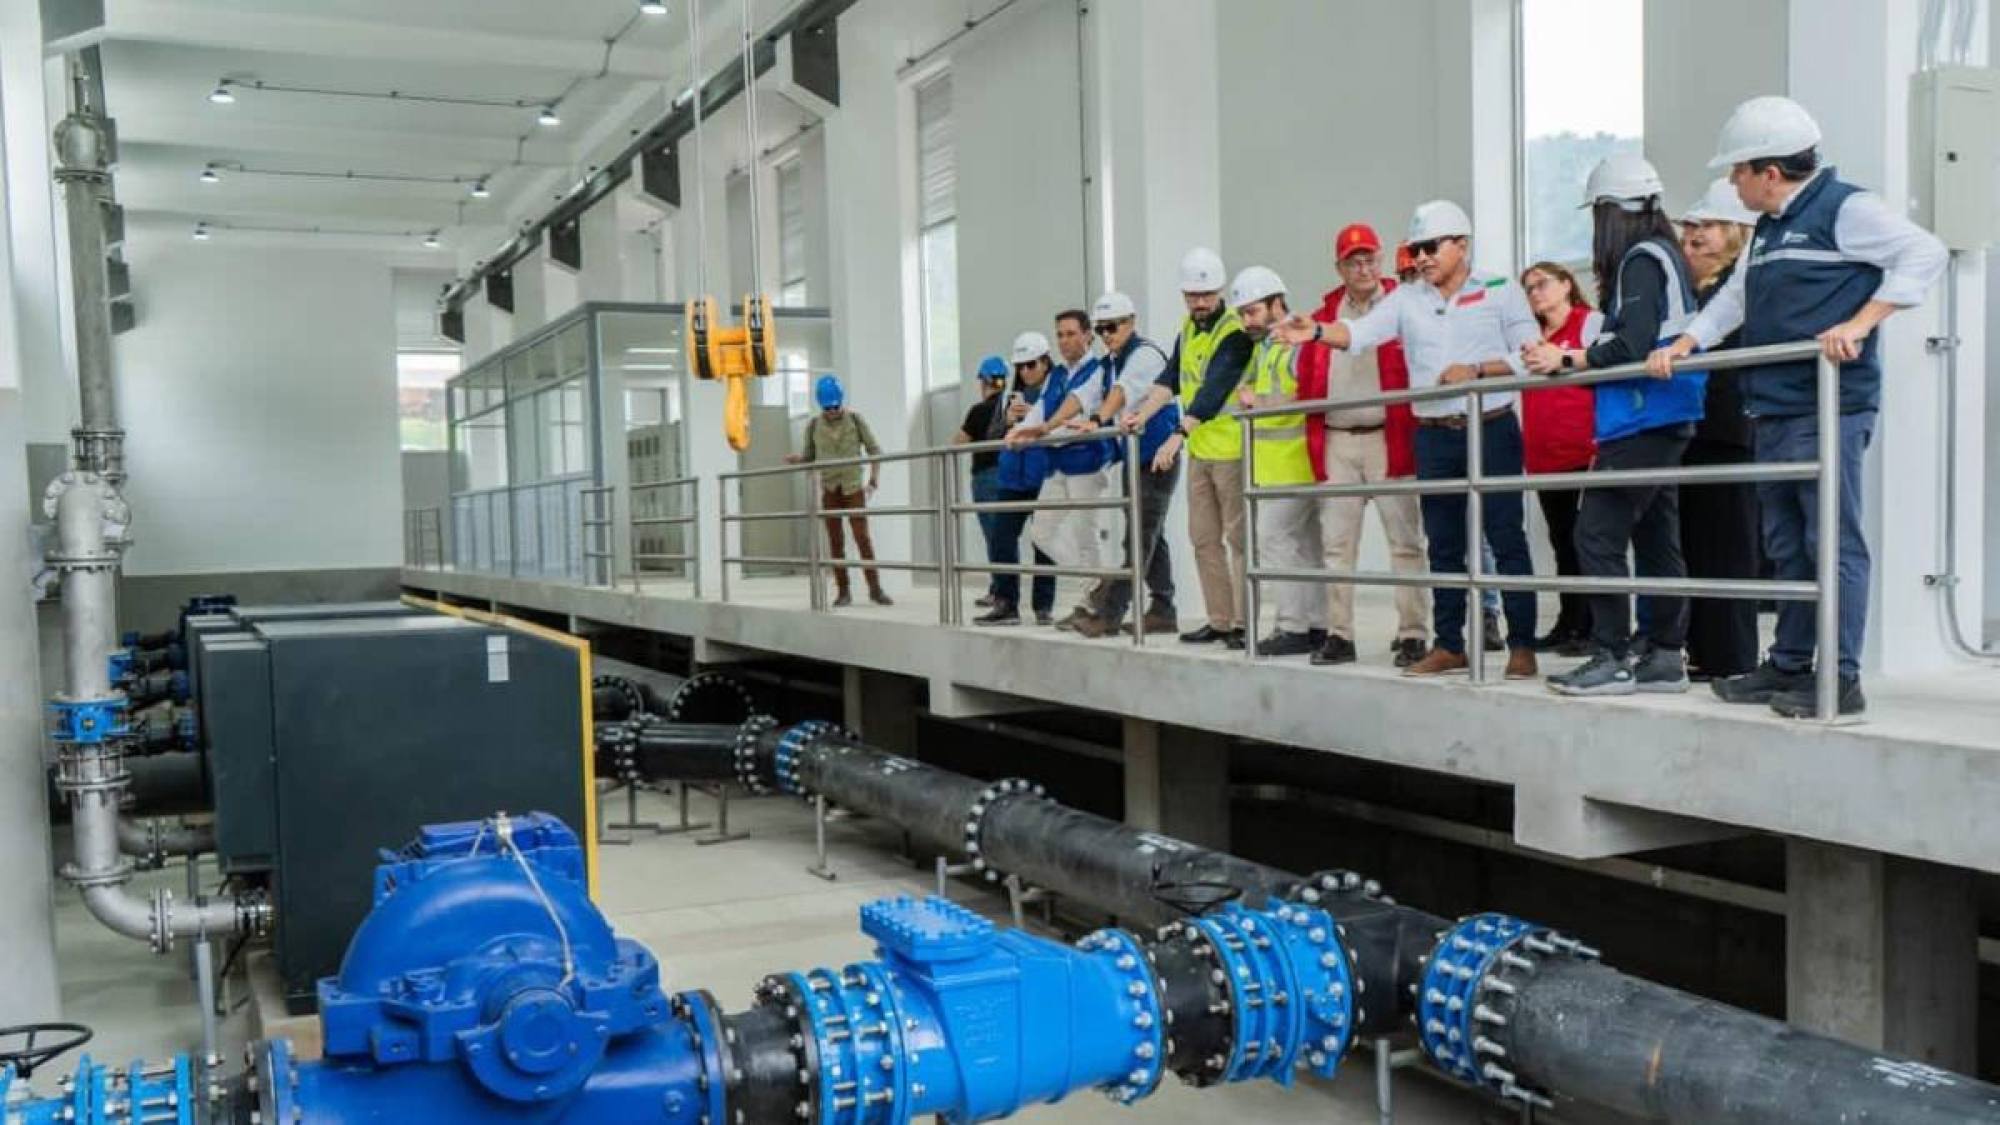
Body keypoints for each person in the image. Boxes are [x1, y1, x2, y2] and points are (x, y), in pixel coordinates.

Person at [1649, 95, 1947, 717]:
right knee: (1786, 545)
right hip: (1774, 407)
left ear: (1770, 172)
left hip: (1828, 407)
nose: (1733, 183)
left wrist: (1860, 323)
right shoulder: (1770, 228)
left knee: (1831, 543)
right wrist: (1686, 341)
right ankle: (1787, 665)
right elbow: (1736, 298)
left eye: (1738, 171)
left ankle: (1839, 678)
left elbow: (1926, 253)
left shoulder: (1846, 208)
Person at [1281, 200, 1540, 680]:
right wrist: (1315, 330)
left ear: (1461, 245)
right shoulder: (1406, 299)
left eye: (1431, 248)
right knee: (1442, 544)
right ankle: (1449, 645)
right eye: (1415, 249)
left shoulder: (1500, 290)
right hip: (1434, 435)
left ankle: (1522, 644)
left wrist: (1477, 371)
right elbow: (1359, 333)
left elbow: (1531, 355)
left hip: (1491, 427)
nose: (1421, 258)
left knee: (1506, 537)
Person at [1526, 154, 1708, 696]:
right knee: (1656, 537)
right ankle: (1665, 655)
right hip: (1664, 413)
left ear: (1610, 211)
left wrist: (1568, 359)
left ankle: (1613, 656)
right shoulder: (1666, 256)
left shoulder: (1641, 261)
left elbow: (1631, 344)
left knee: (1595, 532)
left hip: (1642, 415)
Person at [1295, 223, 1428, 667]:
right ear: (1340, 268)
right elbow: (1307, 380)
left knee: (1405, 542)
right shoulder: (1324, 317)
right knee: (1337, 545)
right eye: (1354, 261)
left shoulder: (1403, 306)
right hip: (1337, 438)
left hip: (1389, 437)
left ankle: (1413, 633)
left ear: (1381, 260)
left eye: (1370, 258)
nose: (1364, 268)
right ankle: (1340, 633)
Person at [1120, 248, 1255, 648]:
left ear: (1220, 291)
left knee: (1238, 541)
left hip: (1231, 450)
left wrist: (1177, 434)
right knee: (1203, 539)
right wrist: (1142, 414)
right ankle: (1220, 621)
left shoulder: (1234, 332)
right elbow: (1171, 378)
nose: (1199, 303)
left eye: (1206, 294)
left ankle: (1243, 624)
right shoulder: (1189, 329)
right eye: (1192, 295)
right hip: (1202, 450)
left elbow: (1215, 388)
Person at [1675, 178, 1762, 679]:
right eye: (1691, 227)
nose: (1694, 236)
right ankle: (1706, 651)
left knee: (1727, 546)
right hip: (1698, 428)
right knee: (1699, 544)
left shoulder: (1740, 286)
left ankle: (1731, 656)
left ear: (1734, 230)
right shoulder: (1699, 292)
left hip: (1729, 430)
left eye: (1706, 225)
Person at [1066, 292, 1181, 639]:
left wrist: (1097, 420)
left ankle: (1110, 614)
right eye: (1100, 329)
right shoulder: (1110, 361)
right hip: (1135, 457)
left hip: (1159, 457)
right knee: (1151, 533)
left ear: (1131, 322)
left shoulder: (1145, 355)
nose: (1106, 335)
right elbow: (1082, 394)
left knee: (1139, 537)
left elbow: (1121, 392)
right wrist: (1041, 427)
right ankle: (1163, 609)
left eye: (1112, 327)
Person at [1233, 267, 1321, 655]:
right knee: (1306, 547)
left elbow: (1304, 395)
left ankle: (1292, 626)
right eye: (1243, 314)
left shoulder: (1295, 342)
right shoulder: (1268, 346)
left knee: (1274, 539)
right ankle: (1316, 624)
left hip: (1294, 463)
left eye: (1252, 311)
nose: (1246, 321)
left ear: (1276, 302)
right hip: (1279, 465)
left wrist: (1258, 401)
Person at [1009, 309, 1116, 627]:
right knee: (1041, 531)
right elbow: (1042, 408)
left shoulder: (1098, 370)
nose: (1064, 341)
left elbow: (1078, 405)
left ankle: (1091, 602)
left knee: (1085, 533)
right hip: (1057, 463)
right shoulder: (1056, 375)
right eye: (1059, 335)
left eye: (1071, 334)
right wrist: (1018, 431)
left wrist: (1039, 432)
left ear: (1088, 336)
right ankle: (1097, 585)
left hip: (1087, 460)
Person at [1518, 260, 1602, 656]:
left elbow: (1604, 362)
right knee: (1561, 540)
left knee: (1588, 540)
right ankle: (1569, 621)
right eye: (1529, 288)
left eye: (1542, 283)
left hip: (1585, 449)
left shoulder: (1589, 323)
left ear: (1567, 284)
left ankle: (1593, 626)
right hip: (1544, 453)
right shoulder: (1530, 337)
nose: (1536, 293)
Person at [973, 333, 1060, 626]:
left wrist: (1037, 421)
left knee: (1043, 543)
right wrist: (1009, 421)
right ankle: (1006, 603)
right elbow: (991, 437)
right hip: (1011, 479)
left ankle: (1043, 606)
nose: (1025, 372)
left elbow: (1065, 426)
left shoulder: (1057, 390)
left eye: (1031, 365)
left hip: (1045, 476)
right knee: (1001, 539)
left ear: (1045, 361)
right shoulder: (1008, 396)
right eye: (1020, 366)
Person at [786, 375, 892, 607]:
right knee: (836, 542)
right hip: (830, 489)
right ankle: (843, 591)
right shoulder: (814, 426)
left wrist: (873, 481)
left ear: (841, 401)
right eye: (828, 408)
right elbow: (809, 456)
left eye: (835, 406)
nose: (832, 411)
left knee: (862, 538)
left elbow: (875, 450)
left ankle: (875, 589)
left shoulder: (855, 420)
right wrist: (798, 459)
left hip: (853, 488)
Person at [954, 354, 1011, 613]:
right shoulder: (1012, 407)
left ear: (985, 381)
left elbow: (957, 443)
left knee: (994, 537)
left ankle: (1000, 591)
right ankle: (1003, 589)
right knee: (1005, 536)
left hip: (986, 477)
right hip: (1010, 475)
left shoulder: (979, 411)